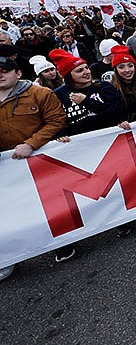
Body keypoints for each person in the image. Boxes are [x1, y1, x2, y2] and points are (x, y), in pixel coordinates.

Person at [49, 48, 126, 259]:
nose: (86, 73)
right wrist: (61, 134)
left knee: (112, 186)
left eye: (85, 68)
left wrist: (86, 101)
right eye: (79, 71)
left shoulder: (103, 87)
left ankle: (121, 220)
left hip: (107, 146)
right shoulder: (59, 96)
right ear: (68, 76)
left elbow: (116, 112)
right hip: (79, 152)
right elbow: (56, 120)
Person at [0, 53, 68, 281]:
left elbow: (57, 120)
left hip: (40, 160)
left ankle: (61, 242)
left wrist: (32, 143)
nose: (0, 76)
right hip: (8, 168)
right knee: (13, 210)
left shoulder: (39, 93)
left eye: (5, 71)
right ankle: (11, 256)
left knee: (50, 205)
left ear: (18, 74)